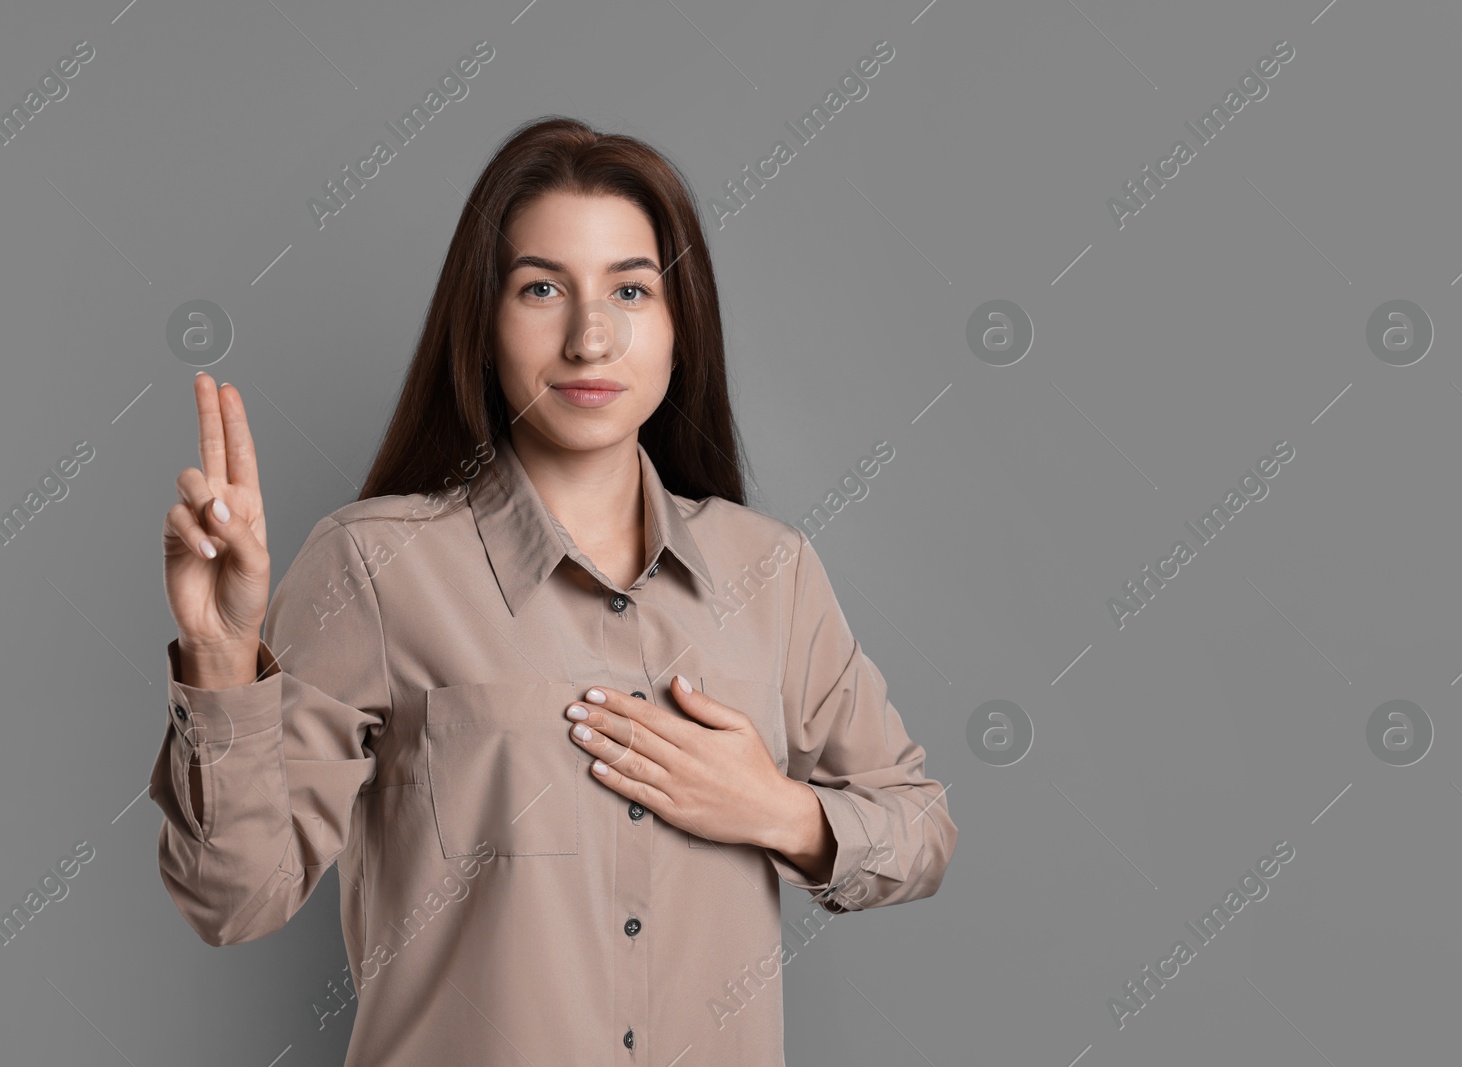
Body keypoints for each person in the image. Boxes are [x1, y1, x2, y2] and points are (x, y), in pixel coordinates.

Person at [150, 115, 956, 1066]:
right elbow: (236, 899)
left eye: (630, 289)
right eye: (542, 288)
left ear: (679, 326)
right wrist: (218, 653)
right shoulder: (372, 568)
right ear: (483, 320)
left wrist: (777, 810)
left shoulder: (772, 575)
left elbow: (921, 827)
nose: (590, 335)